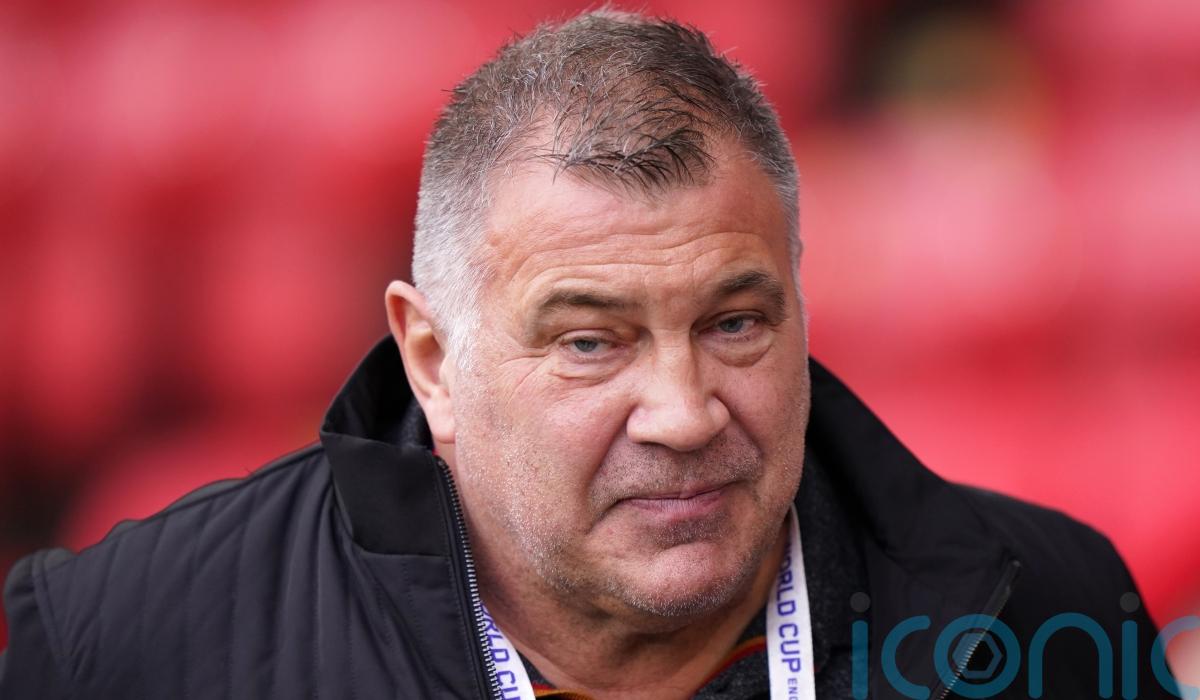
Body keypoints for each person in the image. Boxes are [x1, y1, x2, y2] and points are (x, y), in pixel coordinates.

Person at [0, 10, 1180, 700]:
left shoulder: (1050, 613)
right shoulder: (130, 644)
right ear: (431, 359)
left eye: (735, 323)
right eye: (589, 341)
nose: (684, 410)